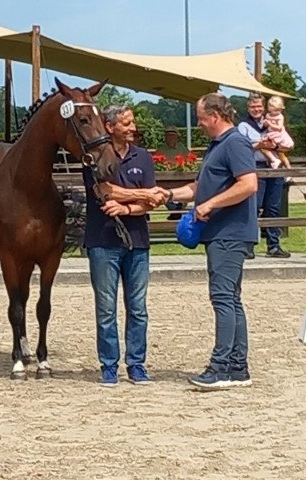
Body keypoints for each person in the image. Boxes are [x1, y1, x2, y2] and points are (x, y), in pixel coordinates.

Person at [166, 93, 258, 389]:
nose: (199, 124)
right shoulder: (218, 146)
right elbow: (199, 187)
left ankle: (220, 367)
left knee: (222, 298)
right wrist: (167, 194)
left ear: (215, 116)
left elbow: (248, 184)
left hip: (229, 233)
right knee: (230, 298)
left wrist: (210, 205)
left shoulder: (235, 143)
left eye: (201, 118)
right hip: (221, 232)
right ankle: (237, 366)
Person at [83, 105, 159, 387]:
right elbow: (104, 190)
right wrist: (141, 194)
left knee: (138, 307)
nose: (131, 127)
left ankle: (136, 364)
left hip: (138, 241)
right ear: (110, 126)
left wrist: (127, 208)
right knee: (106, 308)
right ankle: (109, 365)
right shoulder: (93, 157)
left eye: (132, 122)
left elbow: (150, 202)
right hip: (102, 241)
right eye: (126, 123)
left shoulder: (143, 158)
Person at [238, 93, 290, 259]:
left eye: (259, 106)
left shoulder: (271, 121)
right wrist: (259, 145)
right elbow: (240, 147)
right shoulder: (243, 125)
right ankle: (249, 245)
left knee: (273, 207)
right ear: (248, 108)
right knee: (255, 206)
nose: (256, 109)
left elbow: (283, 141)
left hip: (274, 168)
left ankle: (273, 245)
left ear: (264, 106)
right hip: (255, 168)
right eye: (253, 107)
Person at [155, 126, 190, 219]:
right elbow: (155, 163)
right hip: (165, 178)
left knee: (188, 188)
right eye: (168, 136)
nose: (170, 138)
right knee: (162, 191)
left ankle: (179, 209)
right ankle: (175, 210)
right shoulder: (161, 149)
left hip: (181, 177)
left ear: (176, 137)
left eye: (172, 135)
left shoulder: (182, 148)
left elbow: (190, 160)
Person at [261, 95, 294, 170]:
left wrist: (270, 124)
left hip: (278, 135)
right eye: (275, 110)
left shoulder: (280, 116)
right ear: (270, 108)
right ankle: (275, 160)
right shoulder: (268, 115)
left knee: (280, 152)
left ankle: (288, 169)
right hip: (271, 134)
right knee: (265, 148)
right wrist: (265, 123)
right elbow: (266, 125)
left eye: (279, 110)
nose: (277, 112)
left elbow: (279, 128)